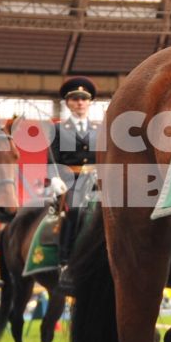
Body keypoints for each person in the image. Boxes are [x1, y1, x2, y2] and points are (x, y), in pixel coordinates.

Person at [49, 77, 98, 293]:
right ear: (68, 103)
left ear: (90, 103)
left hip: (98, 182)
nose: (80, 103)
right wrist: (54, 178)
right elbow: (51, 159)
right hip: (70, 180)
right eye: (75, 99)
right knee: (75, 211)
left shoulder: (99, 129)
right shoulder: (59, 129)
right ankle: (66, 262)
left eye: (84, 99)